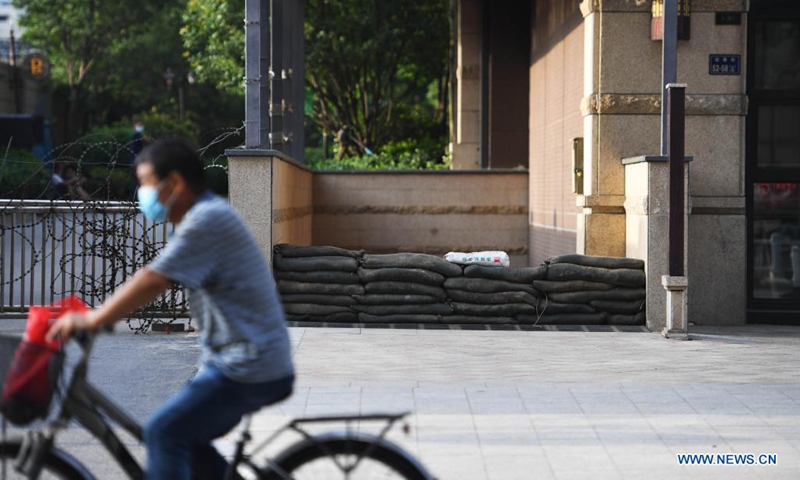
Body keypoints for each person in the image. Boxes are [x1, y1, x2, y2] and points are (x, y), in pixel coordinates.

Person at [46, 139, 295, 480]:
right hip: (237, 360)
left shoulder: (207, 220)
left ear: (174, 183)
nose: (142, 193)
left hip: (249, 365)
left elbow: (154, 279)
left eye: (146, 182)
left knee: (164, 432)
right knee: (187, 442)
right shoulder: (202, 217)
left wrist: (94, 318)